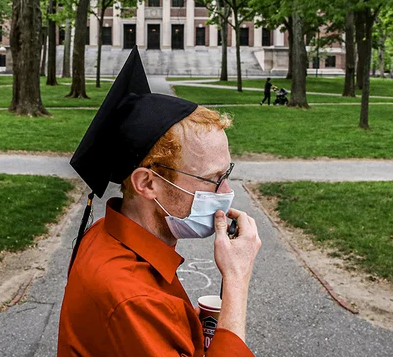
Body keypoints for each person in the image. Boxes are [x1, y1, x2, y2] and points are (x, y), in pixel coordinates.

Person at [58, 47, 261, 356]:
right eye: (213, 178)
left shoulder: (105, 232)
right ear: (147, 184)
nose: (226, 192)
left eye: (227, 173)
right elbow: (141, 307)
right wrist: (236, 279)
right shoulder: (134, 300)